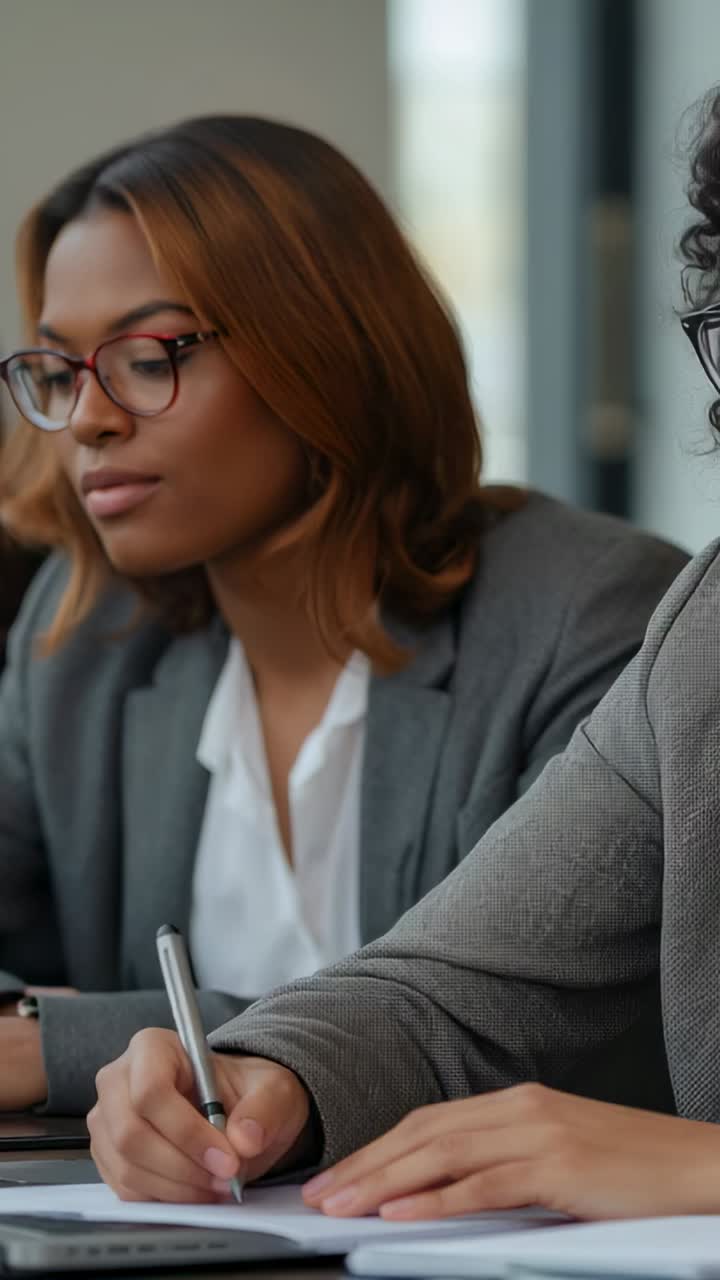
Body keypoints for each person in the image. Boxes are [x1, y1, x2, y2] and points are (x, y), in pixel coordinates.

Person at [87, 89, 720, 1220]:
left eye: (144, 355)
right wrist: (267, 1073)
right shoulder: (707, 632)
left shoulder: (589, 604)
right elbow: (459, 985)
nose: (85, 418)